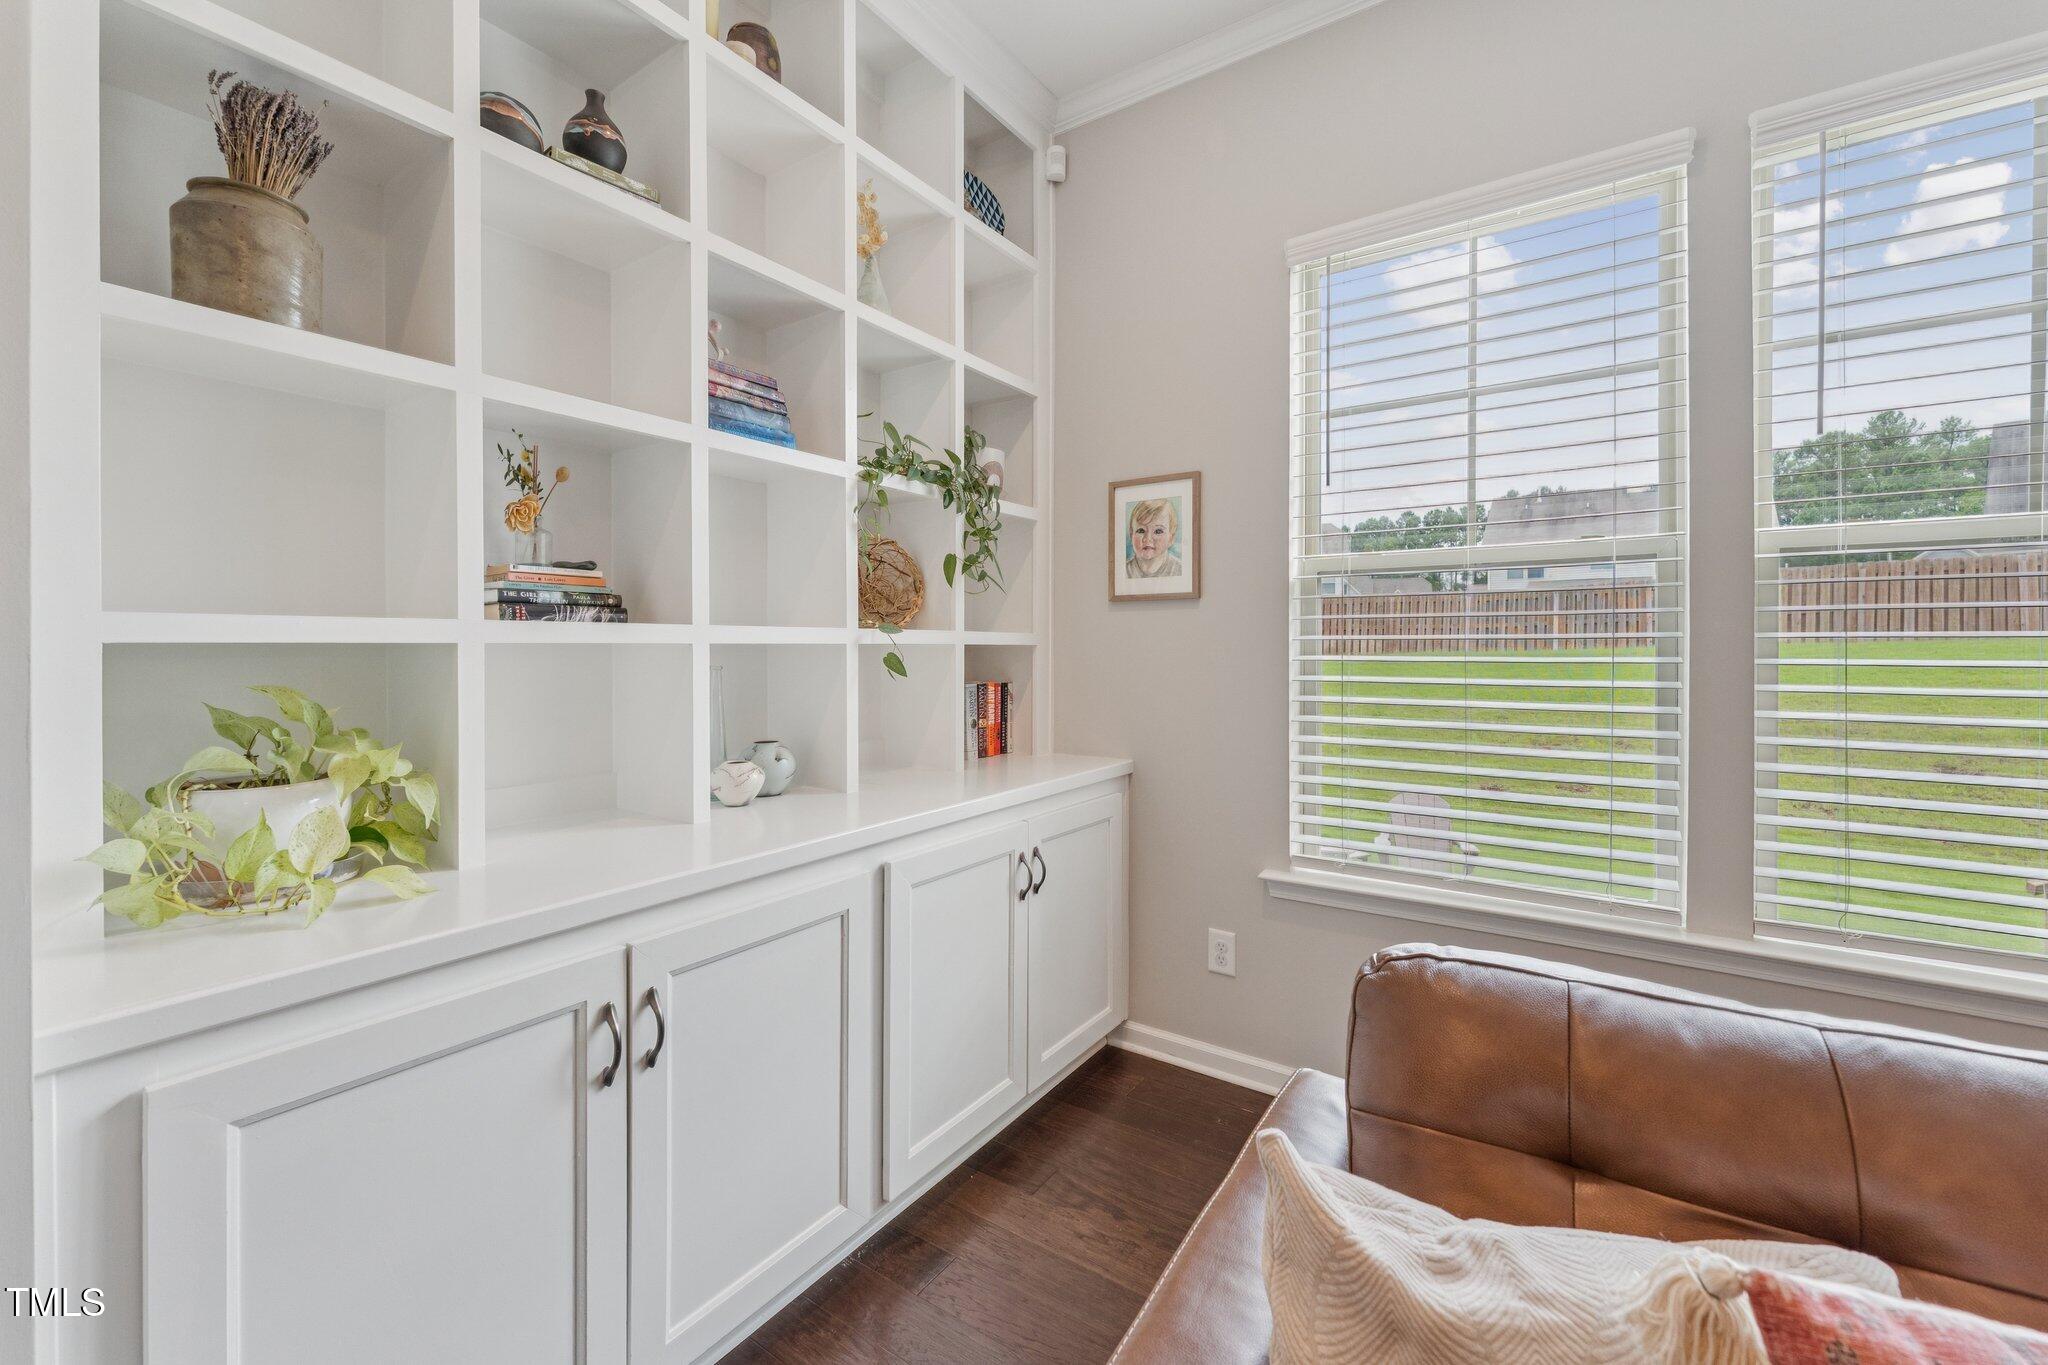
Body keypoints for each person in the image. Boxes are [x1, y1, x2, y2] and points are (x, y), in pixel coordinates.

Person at [1125, 498, 1184, 579]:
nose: (1148, 538)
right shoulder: (1123, 571)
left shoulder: (1180, 570)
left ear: (1171, 538)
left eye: (1158, 531)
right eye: (1141, 530)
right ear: (1132, 535)